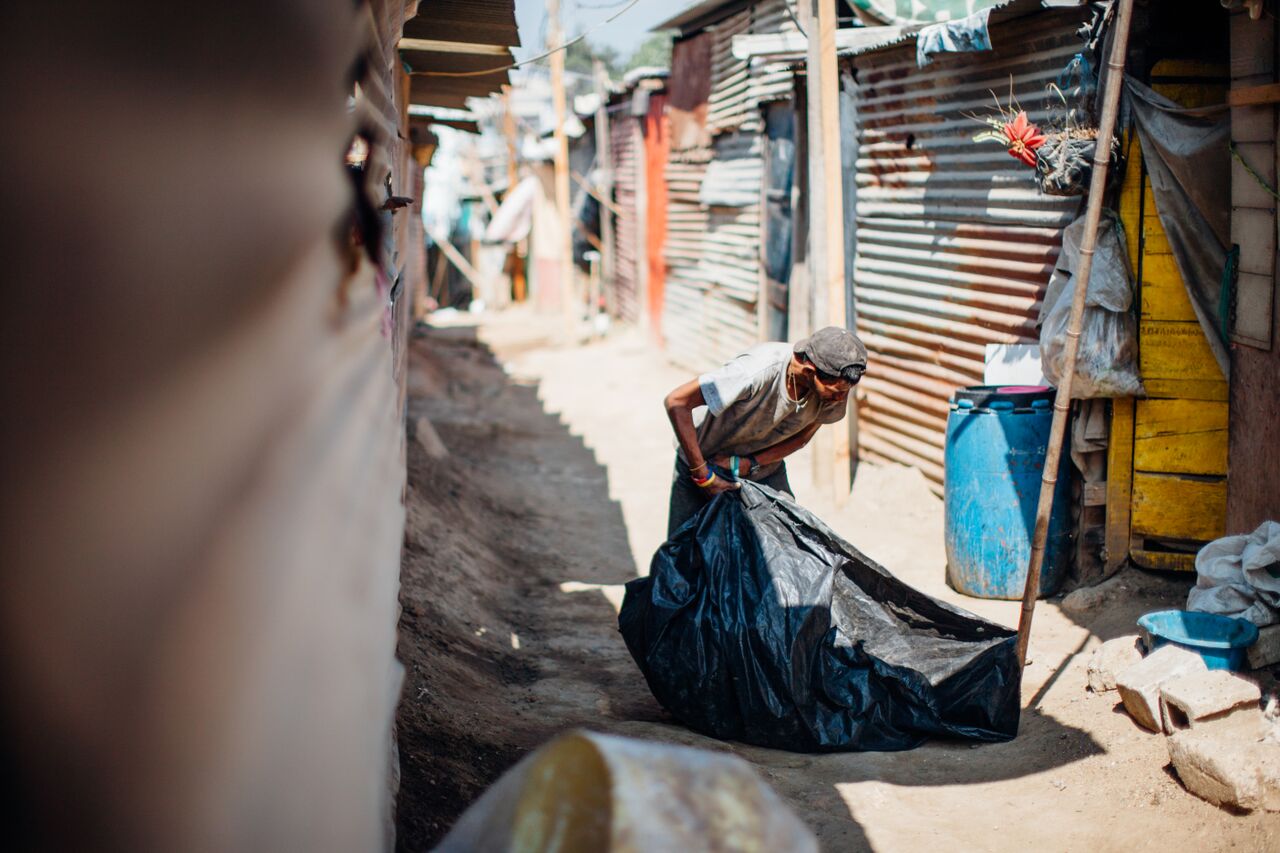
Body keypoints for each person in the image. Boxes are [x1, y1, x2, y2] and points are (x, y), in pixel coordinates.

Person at [662, 326, 868, 537]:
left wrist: (750, 464)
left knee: (786, 540)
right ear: (809, 372)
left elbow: (801, 438)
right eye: (837, 393)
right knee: (685, 551)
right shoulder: (755, 371)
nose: (840, 400)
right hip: (701, 461)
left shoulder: (833, 389)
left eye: (845, 392)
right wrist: (703, 475)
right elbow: (676, 401)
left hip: (762, 466)